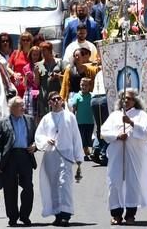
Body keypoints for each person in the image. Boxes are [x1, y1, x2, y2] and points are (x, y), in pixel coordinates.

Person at [101, 89, 147, 225]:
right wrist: (117, 136)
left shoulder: (141, 115)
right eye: (124, 98)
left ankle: (130, 215)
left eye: (129, 99)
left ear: (135, 101)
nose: (126, 101)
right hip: (117, 155)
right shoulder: (115, 115)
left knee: (132, 184)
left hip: (134, 155)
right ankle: (116, 214)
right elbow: (104, 131)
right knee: (114, 183)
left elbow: (146, 132)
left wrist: (131, 122)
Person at [35, 92, 84, 227]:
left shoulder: (70, 117)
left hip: (66, 155)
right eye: (53, 99)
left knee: (64, 185)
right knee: (53, 186)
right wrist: (46, 140)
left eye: (58, 99)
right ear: (49, 102)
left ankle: (66, 215)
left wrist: (79, 156)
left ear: (62, 101)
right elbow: (38, 136)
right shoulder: (46, 119)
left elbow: (76, 137)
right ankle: (57, 214)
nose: (56, 101)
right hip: (51, 156)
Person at [0, 96, 37, 227]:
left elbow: (36, 138)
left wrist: (35, 145)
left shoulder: (29, 120)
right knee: (10, 189)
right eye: (20, 106)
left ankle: (25, 216)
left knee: (28, 188)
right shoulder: (3, 122)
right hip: (10, 157)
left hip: (25, 156)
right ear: (12, 108)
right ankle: (12, 217)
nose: (23, 108)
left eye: (23, 105)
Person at [71, 78, 95, 159]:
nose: (83, 87)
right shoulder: (77, 96)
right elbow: (73, 109)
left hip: (90, 121)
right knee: (82, 138)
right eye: (82, 85)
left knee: (89, 137)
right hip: (80, 122)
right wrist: (72, 120)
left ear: (90, 86)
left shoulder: (92, 96)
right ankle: (85, 152)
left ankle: (88, 150)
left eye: (86, 85)